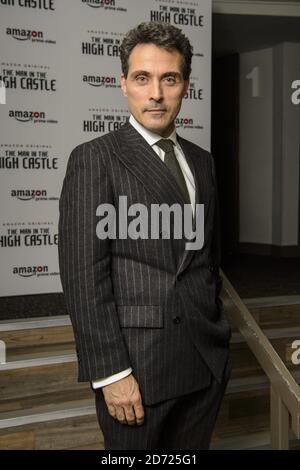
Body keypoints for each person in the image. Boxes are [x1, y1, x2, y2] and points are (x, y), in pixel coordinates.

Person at [58, 21, 232, 450]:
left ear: (185, 85)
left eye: (168, 78)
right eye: (142, 78)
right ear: (123, 85)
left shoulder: (202, 161)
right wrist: (112, 374)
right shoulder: (95, 159)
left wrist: (218, 333)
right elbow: (84, 277)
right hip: (138, 369)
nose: (155, 93)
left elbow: (205, 258)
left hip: (204, 357)